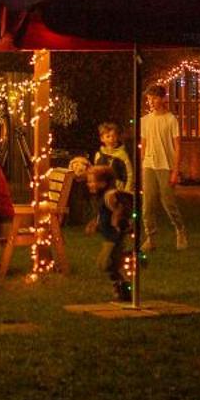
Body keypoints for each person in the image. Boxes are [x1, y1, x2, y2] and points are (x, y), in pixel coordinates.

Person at [140, 85, 187, 250]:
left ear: (162, 98)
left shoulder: (171, 120)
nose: (151, 101)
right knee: (147, 204)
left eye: (154, 97)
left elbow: (178, 146)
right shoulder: (145, 121)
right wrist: (142, 165)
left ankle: (180, 230)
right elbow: (144, 145)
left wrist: (175, 171)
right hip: (149, 165)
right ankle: (150, 237)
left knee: (168, 202)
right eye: (149, 98)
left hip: (165, 166)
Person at [83, 163, 135, 303]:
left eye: (92, 181)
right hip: (109, 237)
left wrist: (117, 217)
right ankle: (120, 287)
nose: (89, 184)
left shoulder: (110, 195)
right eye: (88, 181)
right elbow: (103, 212)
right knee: (108, 265)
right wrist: (95, 223)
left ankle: (124, 287)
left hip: (115, 236)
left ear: (103, 182)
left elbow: (122, 204)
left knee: (106, 263)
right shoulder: (102, 196)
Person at [95, 122, 133, 189]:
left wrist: (127, 190)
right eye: (108, 136)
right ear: (102, 138)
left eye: (113, 136)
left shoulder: (122, 155)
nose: (111, 139)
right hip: (102, 189)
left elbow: (129, 174)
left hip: (117, 190)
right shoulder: (99, 155)